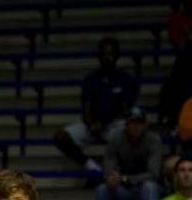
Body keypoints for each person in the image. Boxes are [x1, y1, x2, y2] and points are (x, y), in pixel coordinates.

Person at [53, 37, 138, 173]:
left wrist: (103, 123)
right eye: (103, 54)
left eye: (110, 54)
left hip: (115, 125)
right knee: (60, 137)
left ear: (117, 56)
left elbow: (125, 109)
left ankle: (118, 171)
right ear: (99, 56)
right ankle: (91, 166)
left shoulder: (126, 79)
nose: (107, 58)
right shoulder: (91, 79)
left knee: (132, 132)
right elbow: (86, 107)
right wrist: (90, 122)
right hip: (93, 125)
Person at [92, 107, 161, 200]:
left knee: (150, 186)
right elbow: (108, 169)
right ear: (126, 125)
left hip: (144, 190)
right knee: (102, 189)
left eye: (139, 123)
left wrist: (125, 179)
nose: (136, 127)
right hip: (122, 191)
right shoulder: (115, 139)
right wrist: (111, 178)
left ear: (146, 125)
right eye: (132, 123)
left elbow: (153, 174)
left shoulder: (153, 140)